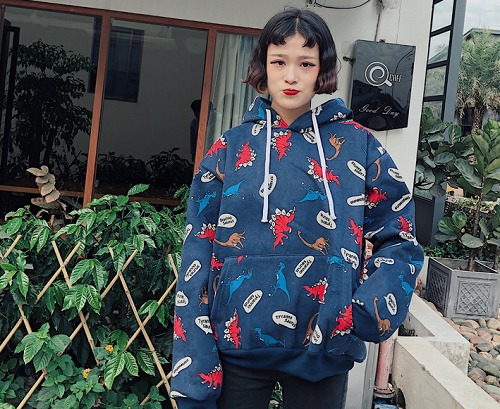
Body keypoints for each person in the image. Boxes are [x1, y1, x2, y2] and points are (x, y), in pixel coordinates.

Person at [171, 7, 423, 409]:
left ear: (322, 70)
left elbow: (401, 237)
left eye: (305, 63)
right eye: (279, 61)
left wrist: (370, 306)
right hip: (238, 345)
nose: (291, 76)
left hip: (326, 346)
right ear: (263, 66)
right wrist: (193, 373)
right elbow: (197, 251)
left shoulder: (359, 145)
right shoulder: (229, 149)